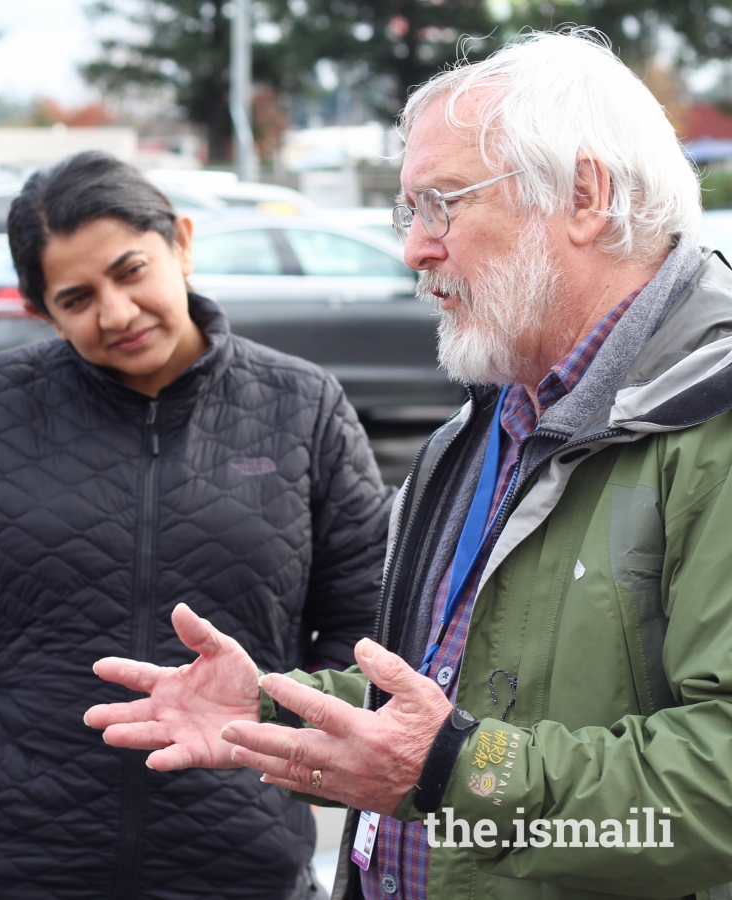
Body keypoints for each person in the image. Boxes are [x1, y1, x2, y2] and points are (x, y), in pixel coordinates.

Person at [86, 29, 732, 900]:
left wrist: (458, 772)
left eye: (443, 204)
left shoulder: (711, 421)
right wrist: (275, 705)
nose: (415, 249)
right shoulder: (494, 421)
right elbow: (451, 693)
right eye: (409, 212)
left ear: (585, 195)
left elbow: (717, 789)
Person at [0, 151, 393, 899]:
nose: (115, 313)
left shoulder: (301, 407)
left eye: (130, 271)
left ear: (181, 242)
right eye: (76, 298)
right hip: (13, 856)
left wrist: (293, 759)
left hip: (240, 857)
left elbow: (363, 612)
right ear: (40, 310)